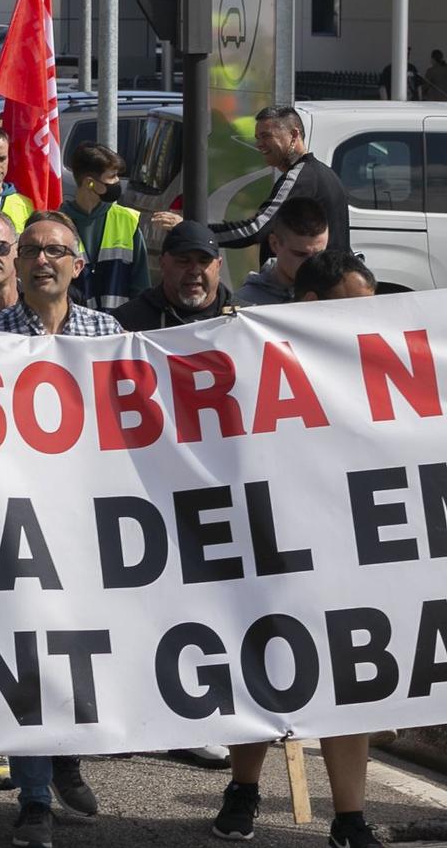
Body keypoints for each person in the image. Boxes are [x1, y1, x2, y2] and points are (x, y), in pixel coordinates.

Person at [210, 245, 384, 848]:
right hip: (272, 536)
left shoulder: (379, 365)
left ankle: (350, 818)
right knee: (266, 663)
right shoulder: (251, 351)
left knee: (350, 677)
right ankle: (244, 788)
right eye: (352, 309)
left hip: (350, 539)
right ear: (310, 304)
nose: (367, 321)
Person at [0, 211, 120, 847]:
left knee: (79, 649)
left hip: (84, 519)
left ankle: (66, 758)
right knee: (27, 652)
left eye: (56, 249)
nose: (42, 259)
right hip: (14, 521)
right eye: (31, 248)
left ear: (77, 265)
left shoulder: (107, 332)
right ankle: (34, 799)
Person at [162, 105, 349, 259]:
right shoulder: (318, 173)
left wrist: (192, 231)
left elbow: (255, 229)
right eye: (257, 138)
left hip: (311, 289)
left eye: (266, 136)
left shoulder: (301, 177)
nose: (259, 144)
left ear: (294, 135)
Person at [58, 142, 145, 312]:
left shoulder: (127, 220)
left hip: (120, 327)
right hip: (73, 328)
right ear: (90, 183)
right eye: (112, 176)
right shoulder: (57, 224)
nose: (118, 181)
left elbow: (141, 284)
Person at [114, 220, 235, 331]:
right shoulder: (127, 322)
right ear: (162, 263)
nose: (194, 271)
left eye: (204, 261)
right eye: (184, 261)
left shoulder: (246, 320)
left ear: (219, 265)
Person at [234, 196, 330, 307]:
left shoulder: (337, 293)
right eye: (300, 254)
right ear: (274, 244)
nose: (311, 264)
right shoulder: (245, 303)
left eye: (319, 255)